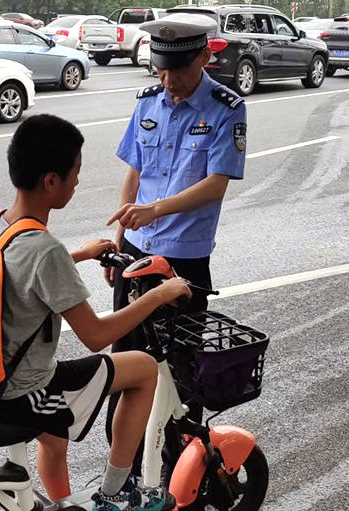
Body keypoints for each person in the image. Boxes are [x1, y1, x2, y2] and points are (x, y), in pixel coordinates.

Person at [0, 114, 191, 511]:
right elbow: (96, 335)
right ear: (51, 181)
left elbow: (18, 275)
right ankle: (115, 493)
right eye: (75, 172)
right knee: (140, 367)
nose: (77, 182)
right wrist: (160, 295)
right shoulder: (45, 250)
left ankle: (64, 504)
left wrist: (79, 254)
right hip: (22, 389)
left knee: (54, 440)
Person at [104, 13, 247, 479]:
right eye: (160, 72)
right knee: (125, 367)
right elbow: (133, 172)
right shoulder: (148, 101)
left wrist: (156, 210)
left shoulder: (226, 108)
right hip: (137, 253)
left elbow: (217, 183)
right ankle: (120, 473)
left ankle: (174, 475)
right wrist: (120, 241)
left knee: (181, 374)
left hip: (183, 259)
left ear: (204, 57)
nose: (168, 83)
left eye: (177, 73)